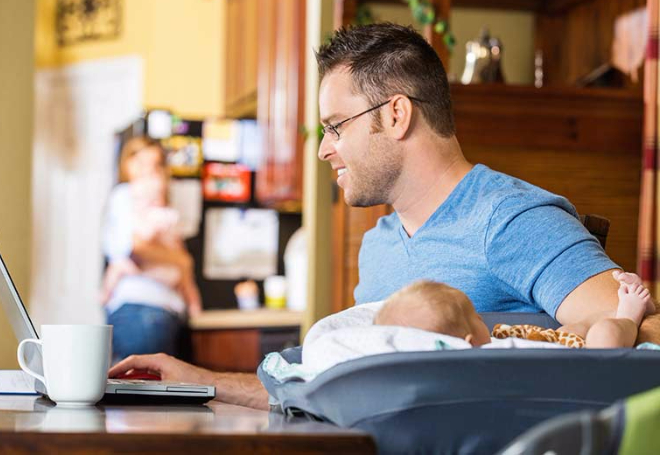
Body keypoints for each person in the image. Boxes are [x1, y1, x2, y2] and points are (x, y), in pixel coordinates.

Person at [108, 23, 660, 410]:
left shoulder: (509, 220)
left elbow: (647, 336)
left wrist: (483, 349)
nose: (324, 150)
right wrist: (197, 381)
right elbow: (336, 385)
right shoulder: (381, 244)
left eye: (335, 126)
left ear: (396, 114)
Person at [102, 136, 202, 363]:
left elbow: (181, 260)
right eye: (141, 162)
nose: (148, 171)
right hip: (144, 310)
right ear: (127, 163)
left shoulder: (163, 209)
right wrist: (179, 261)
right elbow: (135, 247)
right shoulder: (126, 194)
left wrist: (180, 262)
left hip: (158, 312)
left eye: (155, 165)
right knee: (143, 387)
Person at [374, 273, 655, 349]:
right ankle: (630, 314)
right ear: (469, 343)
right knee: (605, 336)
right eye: (475, 317)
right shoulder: (489, 359)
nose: (482, 318)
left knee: (572, 330)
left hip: (565, 346)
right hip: (587, 362)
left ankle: (636, 309)